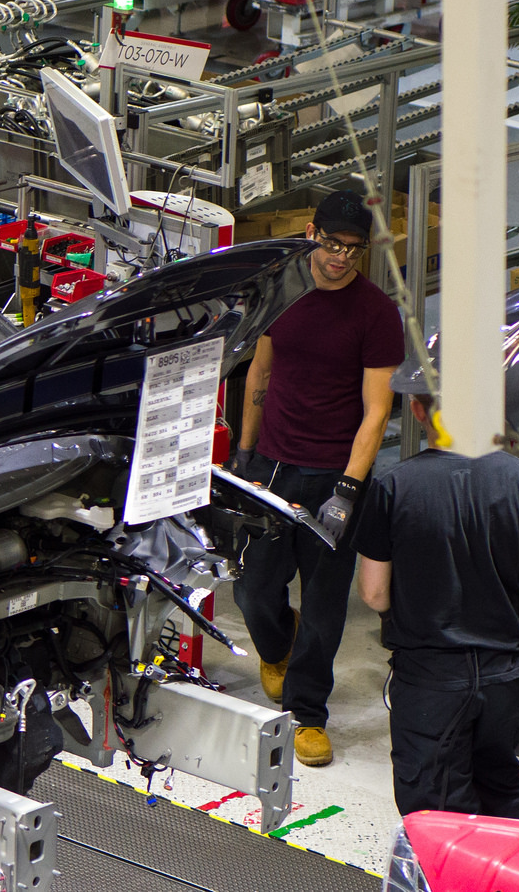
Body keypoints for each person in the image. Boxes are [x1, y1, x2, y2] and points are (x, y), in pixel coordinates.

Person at [355, 346, 519, 817]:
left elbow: (373, 592)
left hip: (430, 681)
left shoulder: (393, 487)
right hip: (504, 679)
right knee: (502, 795)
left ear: (420, 410)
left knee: (439, 814)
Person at [232, 189, 403, 767]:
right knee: (253, 589)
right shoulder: (280, 290)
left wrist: (349, 490)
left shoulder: (376, 313)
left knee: (326, 604)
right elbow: (260, 371)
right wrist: (245, 454)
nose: (341, 258)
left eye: (353, 250)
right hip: (274, 467)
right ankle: (279, 643)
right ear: (311, 233)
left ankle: (309, 713)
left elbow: (377, 411)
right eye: (332, 244)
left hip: (335, 473)